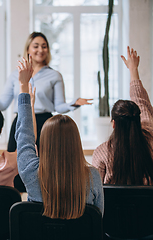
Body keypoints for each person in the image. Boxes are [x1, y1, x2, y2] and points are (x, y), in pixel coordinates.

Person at [15, 56, 104, 218]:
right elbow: (98, 222)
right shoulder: (93, 177)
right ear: (76, 143)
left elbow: (24, 135)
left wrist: (23, 88)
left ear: (44, 142)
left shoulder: (31, 171)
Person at [0, 32, 92, 151]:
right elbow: (3, 104)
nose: (40, 50)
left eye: (44, 46)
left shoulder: (54, 75)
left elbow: (59, 106)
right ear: (28, 49)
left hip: (45, 124)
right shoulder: (16, 75)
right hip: (21, 122)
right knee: (17, 165)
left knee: (45, 164)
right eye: (36, 46)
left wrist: (74, 103)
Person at [92, 47, 153, 185]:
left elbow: (95, 192)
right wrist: (133, 70)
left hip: (114, 207)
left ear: (113, 123)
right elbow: (141, 100)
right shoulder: (150, 139)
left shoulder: (102, 153)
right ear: (138, 120)